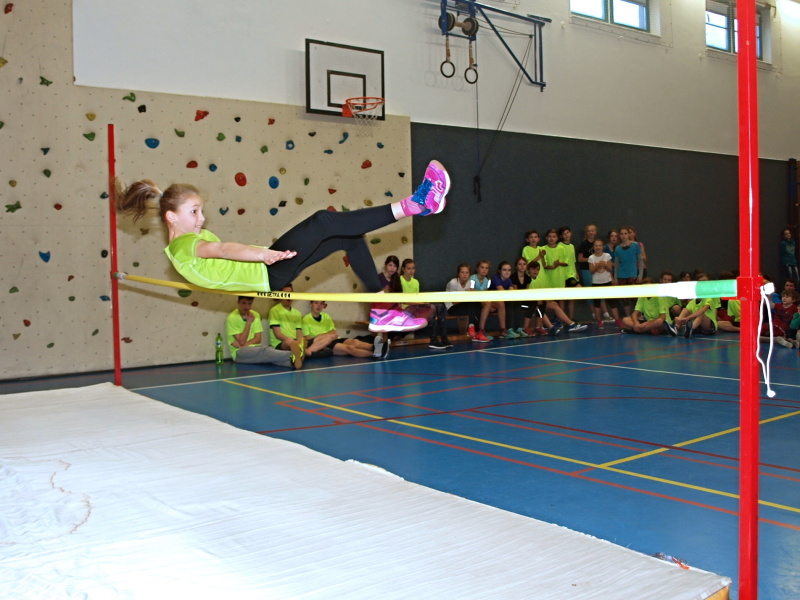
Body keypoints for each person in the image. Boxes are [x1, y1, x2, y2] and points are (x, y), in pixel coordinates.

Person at [115, 160, 450, 333]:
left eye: (201, 210)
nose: (202, 218)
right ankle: (416, 204)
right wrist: (264, 254)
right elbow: (223, 250)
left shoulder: (182, 246)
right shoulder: (185, 247)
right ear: (171, 217)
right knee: (322, 221)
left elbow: (222, 257)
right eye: (194, 212)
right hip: (267, 271)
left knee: (347, 237)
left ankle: (382, 309)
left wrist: (266, 255)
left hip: (270, 271)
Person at [226, 296, 303, 369]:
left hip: (254, 348)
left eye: (249, 304)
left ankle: (292, 362)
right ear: (238, 302)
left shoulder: (255, 315)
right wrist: (248, 323)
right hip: (239, 352)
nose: (247, 307)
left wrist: (244, 344)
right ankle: (294, 354)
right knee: (265, 351)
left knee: (270, 358)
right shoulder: (232, 317)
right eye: (244, 303)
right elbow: (242, 341)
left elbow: (258, 339)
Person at [302, 300, 386, 358]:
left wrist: (328, 336)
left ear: (324, 306)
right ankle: (376, 354)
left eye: (321, 303)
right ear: (311, 304)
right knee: (350, 348)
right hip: (324, 344)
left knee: (355, 341)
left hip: (334, 339)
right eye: (316, 303)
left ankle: (377, 347)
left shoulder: (326, 316)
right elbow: (309, 339)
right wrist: (326, 336)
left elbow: (334, 333)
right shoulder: (306, 319)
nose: (318, 306)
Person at [399, 258, 450, 350]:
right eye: (408, 268)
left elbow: (417, 298)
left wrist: (423, 302)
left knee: (440, 306)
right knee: (431, 308)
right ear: (403, 269)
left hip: (416, 307)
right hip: (405, 310)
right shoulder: (399, 280)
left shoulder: (415, 282)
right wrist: (420, 303)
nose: (411, 271)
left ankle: (444, 338)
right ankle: (433, 340)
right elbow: (401, 300)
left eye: (413, 268)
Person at [587, 239, 622, 329]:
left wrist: (605, 265)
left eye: (600, 246)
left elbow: (610, 269)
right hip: (596, 282)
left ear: (602, 247)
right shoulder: (591, 258)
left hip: (607, 281)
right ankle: (599, 321)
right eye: (596, 246)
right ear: (593, 247)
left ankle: (617, 320)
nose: (598, 247)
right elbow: (591, 271)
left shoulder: (607, 256)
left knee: (612, 302)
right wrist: (597, 266)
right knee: (597, 303)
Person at [674, 273, 720, 338]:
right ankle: (676, 328)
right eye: (701, 282)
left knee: (701, 315)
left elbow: (702, 311)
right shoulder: (693, 301)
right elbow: (687, 310)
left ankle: (690, 329)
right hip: (699, 326)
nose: (703, 284)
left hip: (709, 326)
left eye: (705, 282)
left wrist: (687, 318)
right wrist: (680, 319)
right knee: (685, 310)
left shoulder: (709, 298)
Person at [471, 259, 506, 342]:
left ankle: (503, 330)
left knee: (501, 303)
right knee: (487, 304)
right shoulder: (472, 278)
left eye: (486, 268)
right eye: (482, 267)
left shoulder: (488, 280)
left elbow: (486, 292)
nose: (484, 270)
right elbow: (471, 291)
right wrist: (489, 304)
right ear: (477, 269)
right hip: (474, 301)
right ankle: (481, 331)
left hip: (484, 300)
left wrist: (491, 304)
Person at [445, 263, 481, 339]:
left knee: (477, 305)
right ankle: (474, 329)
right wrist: (467, 295)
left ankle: (476, 330)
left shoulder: (470, 282)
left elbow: (472, 295)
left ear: (469, 274)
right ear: (458, 274)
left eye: (467, 272)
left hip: (465, 306)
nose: (464, 275)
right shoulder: (453, 282)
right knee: (472, 304)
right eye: (462, 272)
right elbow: (454, 302)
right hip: (452, 308)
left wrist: (471, 294)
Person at [268, 285, 307, 353]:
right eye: (285, 294)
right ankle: (300, 352)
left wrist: (298, 342)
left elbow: (299, 333)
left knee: (307, 341)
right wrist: (293, 342)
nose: (288, 296)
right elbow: (278, 334)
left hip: (295, 341)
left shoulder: (297, 313)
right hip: (281, 343)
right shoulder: (274, 310)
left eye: (290, 293)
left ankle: (301, 352)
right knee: (289, 343)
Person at [614, 226, 643, 317]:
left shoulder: (635, 245)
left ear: (628, 234)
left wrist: (640, 275)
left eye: (625, 233)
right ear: (619, 235)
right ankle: (628, 316)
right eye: (622, 234)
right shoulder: (618, 248)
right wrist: (615, 277)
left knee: (635, 297)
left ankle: (637, 316)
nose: (624, 236)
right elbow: (616, 264)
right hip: (621, 275)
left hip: (632, 274)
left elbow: (640, 260)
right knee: (624, 299)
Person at [508, 257, 531, 338]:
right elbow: (516, 292)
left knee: (534, 304)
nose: (522, 266)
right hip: (514, 300)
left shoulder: (528, 278)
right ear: (516, 266)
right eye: (520, 264)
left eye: (524, 264)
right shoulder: (513, 277)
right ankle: (516, 328)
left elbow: (526, 291)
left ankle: (525, 328)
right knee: (517, 304)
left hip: (523, 301)